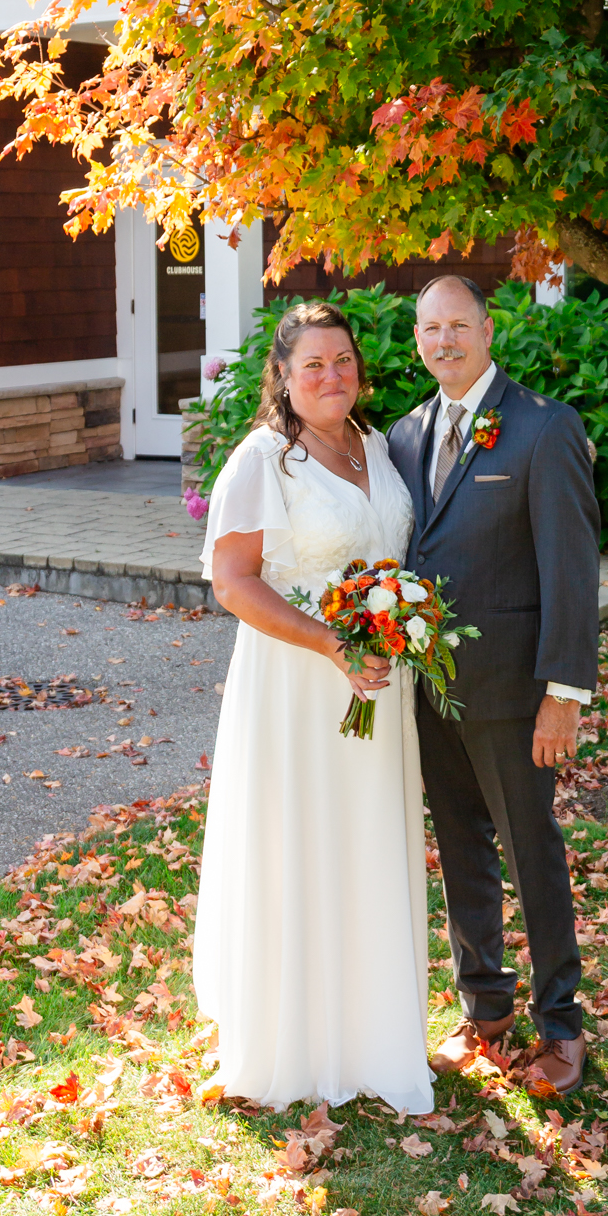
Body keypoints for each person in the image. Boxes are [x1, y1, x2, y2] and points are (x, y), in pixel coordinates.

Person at [194, 301, 432, 1114]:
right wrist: (330, 643)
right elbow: (233, 582)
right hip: (297, 683)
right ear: (284, 380)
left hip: (378, 680)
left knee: (367, 838)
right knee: (301, 843)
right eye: (312, 366)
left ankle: (372, 1034)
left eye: (342, 361)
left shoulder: (377, 445)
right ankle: (295, 1041)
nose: (331, 377)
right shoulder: (264, 460)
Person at [388, 274, 600, 1095]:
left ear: (485, 330)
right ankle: (483, 1008)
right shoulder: (405, 436)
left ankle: (560, 1025)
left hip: (515, 691)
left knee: (529, 849)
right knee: (461, 851)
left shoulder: (543, 431)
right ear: (416, 340)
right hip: (429, 689)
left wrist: (563, 693)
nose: (444, 342)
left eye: (458, 327)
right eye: (429, 329)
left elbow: (571, 572)